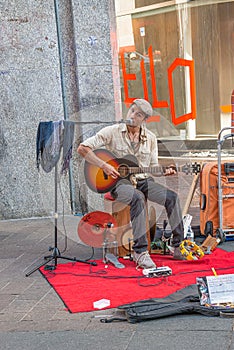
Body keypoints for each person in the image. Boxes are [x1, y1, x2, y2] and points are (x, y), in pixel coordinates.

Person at [77, 99, 184, 269]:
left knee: (172, 197)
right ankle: (140, 252)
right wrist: (104, 165)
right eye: (132, 111)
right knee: (138, 198)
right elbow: (83, 148)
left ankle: (178, 245)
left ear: (144, 120)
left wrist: (164, 171)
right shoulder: (111, 131)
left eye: (138, 114)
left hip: (142, 179)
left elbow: (152, 167)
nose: (133, 116)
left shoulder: (150, 138)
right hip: (118, 184)